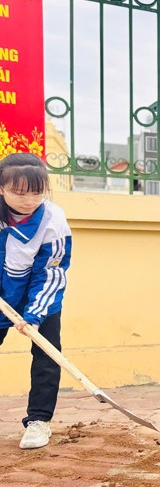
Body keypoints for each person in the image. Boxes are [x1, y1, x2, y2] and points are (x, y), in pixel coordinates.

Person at [0, 154, 72, 450]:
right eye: (19, 192)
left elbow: (51, 271)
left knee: (46, 356)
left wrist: (34, 314)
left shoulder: (53, 220)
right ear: (1, 188)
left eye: (37, 192)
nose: (29, 200)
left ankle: (38, 421)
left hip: (38, 294)